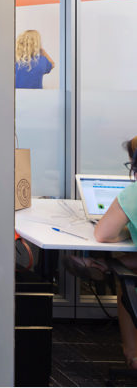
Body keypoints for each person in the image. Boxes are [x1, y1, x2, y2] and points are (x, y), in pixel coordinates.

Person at [66, 136, 137, 370]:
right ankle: (103, 265)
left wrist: (127, 228)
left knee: (124, 278)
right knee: (126, 265)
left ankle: (132, 355)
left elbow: (104, 234)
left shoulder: (133, 194)